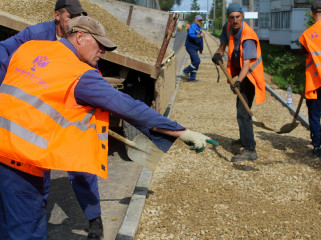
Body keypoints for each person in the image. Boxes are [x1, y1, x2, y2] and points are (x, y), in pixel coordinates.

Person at [0, 16, 218, 239]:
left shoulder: (29, 49)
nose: (103, 52)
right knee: (26, 232)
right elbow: (129, 107)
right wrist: (181, 131)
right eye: (100, 45)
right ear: (81, 37)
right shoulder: (79, 74)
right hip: (22, 166)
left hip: (4, 153)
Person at [0, 0, 106, 239]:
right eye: (71, 16)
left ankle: (94, 218)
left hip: (69, 106)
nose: (75, 20)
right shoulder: (36, 35)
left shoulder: (79, 39)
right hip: (38, 114)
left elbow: (89, 74)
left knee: (80, 165)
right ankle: (35, 211)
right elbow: (3, 51)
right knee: (37, 164)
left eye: (80, 16)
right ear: (57, 15)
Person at [212, 3, 266, 162]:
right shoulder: (227, 27)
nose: (235, 20)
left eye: (238, 17)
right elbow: (222, 46)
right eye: (232, 17)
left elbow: (248, 64)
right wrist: (218, 54)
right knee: (240, 109)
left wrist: (238, 81)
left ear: (242, 17)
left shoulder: (248, 36)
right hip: (240, 74)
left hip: (249, 77)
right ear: (228, 18)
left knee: (243, 113)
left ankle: (250, 149)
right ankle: (244, 140)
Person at [299, 0, 321, 159]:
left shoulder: (307, 35)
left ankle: (318, 148)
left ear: (312, 12)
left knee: (314, 116)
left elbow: (305, 53)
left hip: (316, 82)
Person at [183, 15, 204, 82]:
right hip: (190, 46)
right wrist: (199, 35)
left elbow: (201, 40)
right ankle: (186, 71)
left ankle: (192, 78)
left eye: (201, 20)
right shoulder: (193, 26)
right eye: (199, 20)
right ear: (196, 20)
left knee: (195, 63)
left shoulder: (199, 28)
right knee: (197, 61)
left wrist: (201, 48)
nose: (200, 21)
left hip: (196, 47)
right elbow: (191, 35)